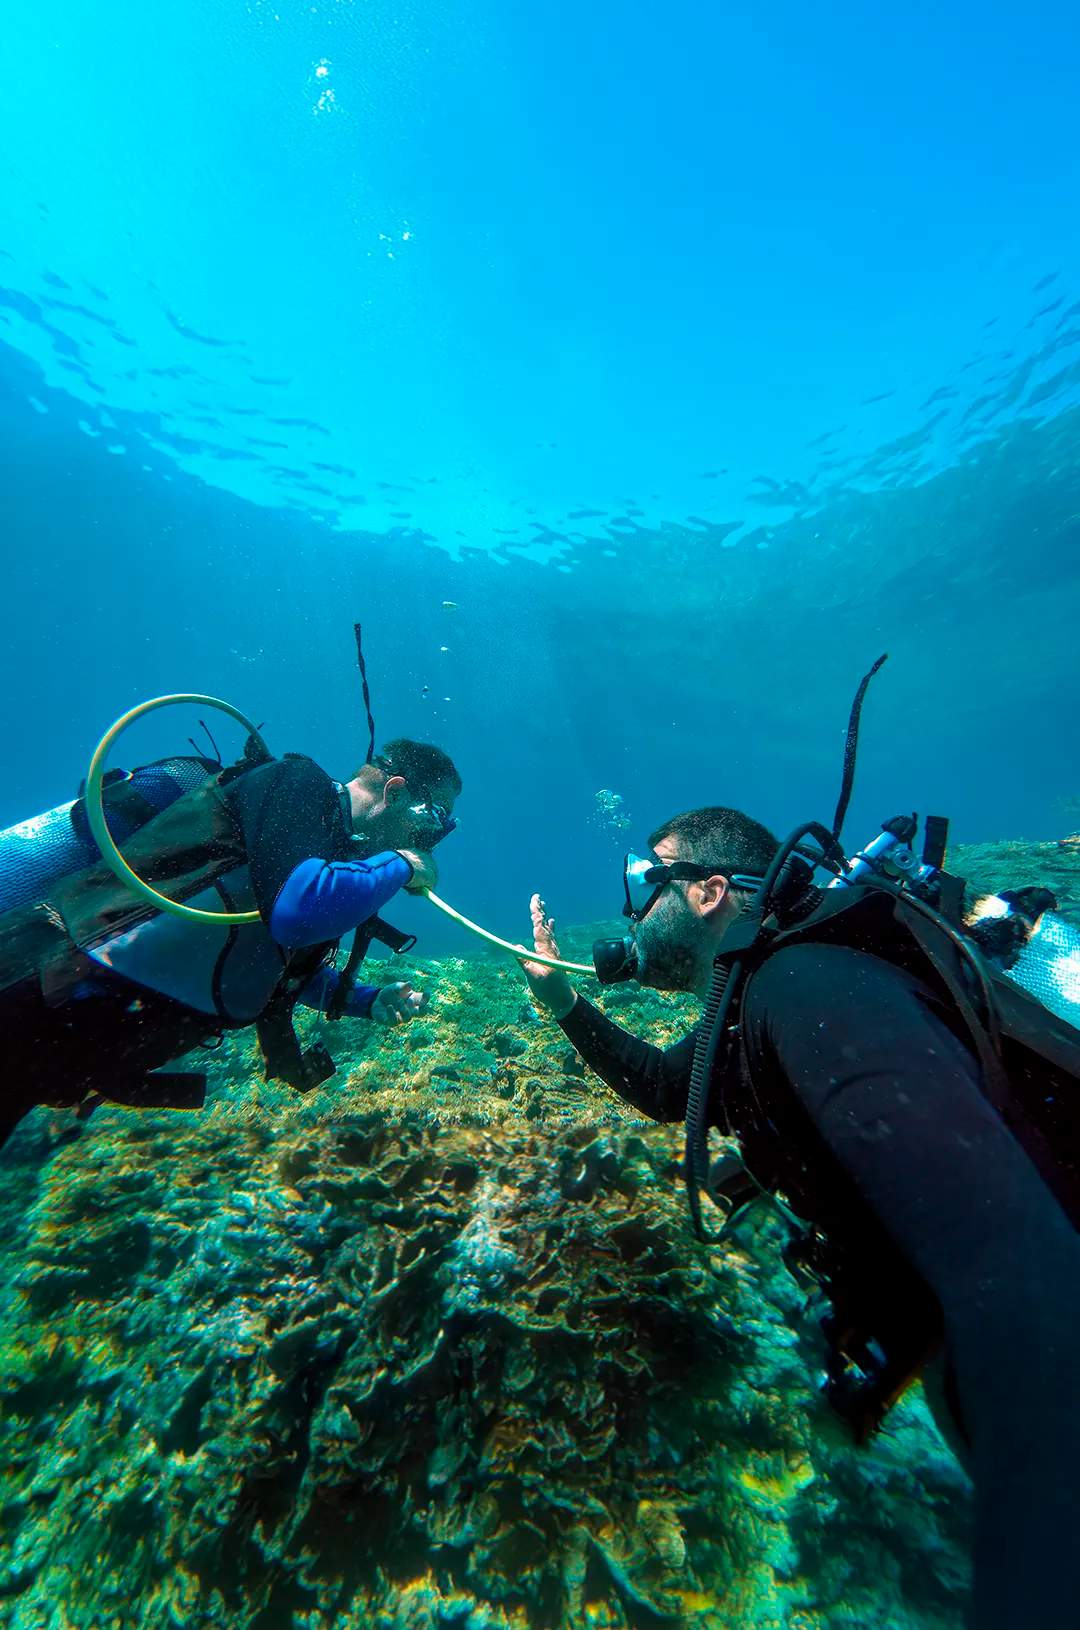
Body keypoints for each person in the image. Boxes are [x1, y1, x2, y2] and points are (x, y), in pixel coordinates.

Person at [520, 805, 1080, 1630]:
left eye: (645, 881)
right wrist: (565, 1001)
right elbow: (672, 1090)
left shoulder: (805, 987)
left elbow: (1029, 1288)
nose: (633, 909)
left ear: (711, 892)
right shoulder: (757, 994)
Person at [0, 737, 461, 1145]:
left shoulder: (326, 852)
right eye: (437, 817)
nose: (435, 838)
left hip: (72, 1042)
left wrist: (366, 1001)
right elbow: (297, 914)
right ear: (395, 790)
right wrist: (401, 862)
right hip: (36, 988)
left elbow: (274, 964)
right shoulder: (296, 784)